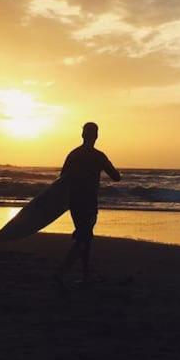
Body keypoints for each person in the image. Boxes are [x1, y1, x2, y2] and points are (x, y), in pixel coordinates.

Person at [56, 122, 120, 286]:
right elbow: (116, 176)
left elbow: (62, 178)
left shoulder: (73, 154)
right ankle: (62, 271)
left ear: (82, 135)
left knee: (86, 237)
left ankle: (85, 275)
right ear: (96, 136)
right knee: (84, 238)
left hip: (75, 202)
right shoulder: (99, 156)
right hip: (90, 203)